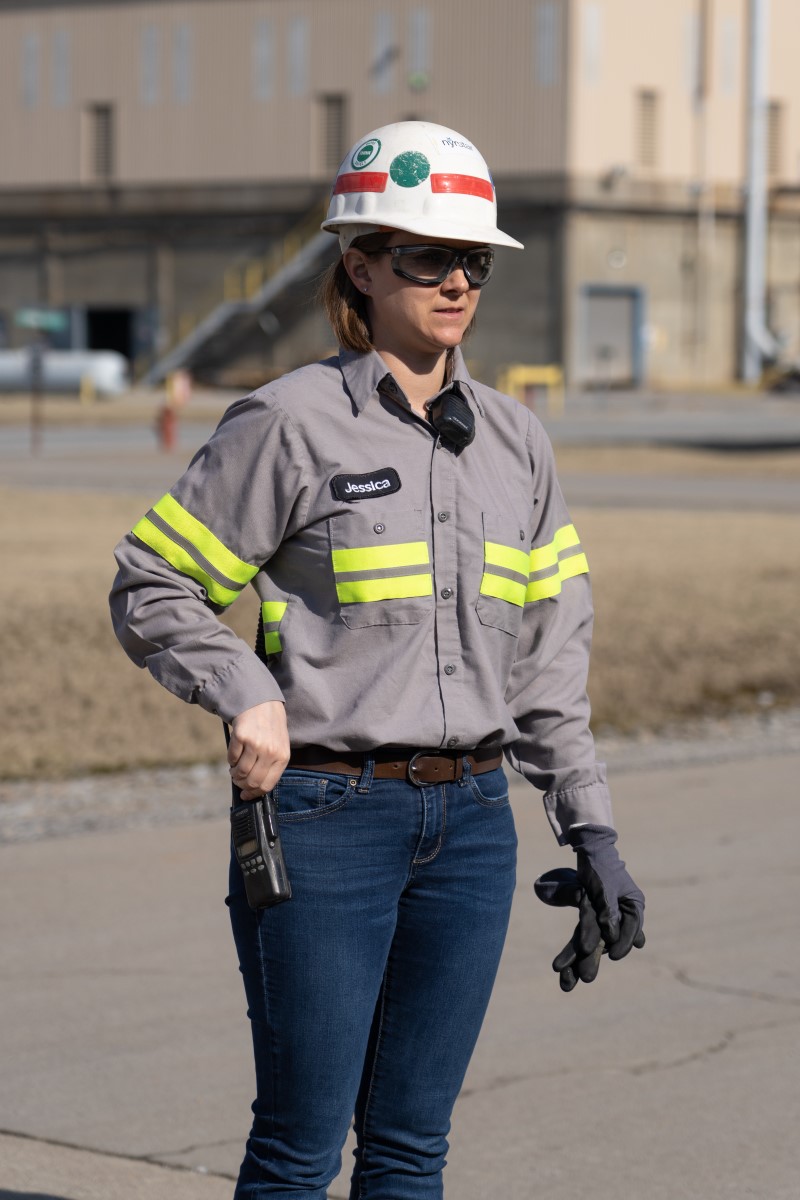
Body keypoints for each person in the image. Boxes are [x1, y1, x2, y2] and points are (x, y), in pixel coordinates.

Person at [110, 121, 644, 1200]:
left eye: (473, 261)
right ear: (359, 265)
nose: (456, 282)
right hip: (325, 820)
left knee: (410, 1147)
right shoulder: (288, 423)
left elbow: (549, 662)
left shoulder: (517, 442)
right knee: (299, 1149)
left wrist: (590, 829)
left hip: (472, 830)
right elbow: (151, 583)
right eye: (426, 256)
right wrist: (247, 693)